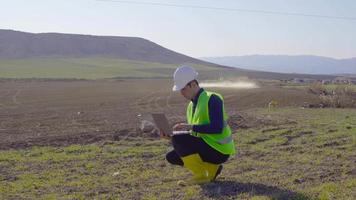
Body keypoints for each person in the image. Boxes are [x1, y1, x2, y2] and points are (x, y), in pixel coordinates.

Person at [160, 66, 236, 186]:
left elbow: (217, 128)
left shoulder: (212, 98)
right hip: (207, 146)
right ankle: (212, 170)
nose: (181, 93)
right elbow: (194, 136)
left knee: (179, 139)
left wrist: (189, 127)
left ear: (193, 84)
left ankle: (201, 175)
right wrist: (170, 137)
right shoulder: (191, 106)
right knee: (172, 156)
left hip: (219, 149)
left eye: (183, 89)